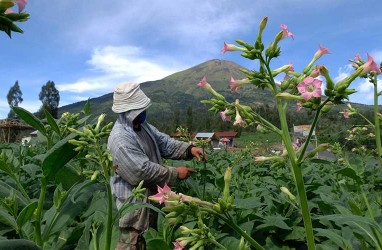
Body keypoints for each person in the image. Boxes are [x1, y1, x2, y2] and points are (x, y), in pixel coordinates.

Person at [107, 82, 206, 250]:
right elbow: (140, 172)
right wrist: (175, 173)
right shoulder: (120, 139)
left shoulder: (142, 126)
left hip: (152, 205)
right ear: (128, 112)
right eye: (140, 109)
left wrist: (189, 149)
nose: (144, 111)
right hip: (134, 214)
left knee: (153, 241)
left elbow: (164, 143)